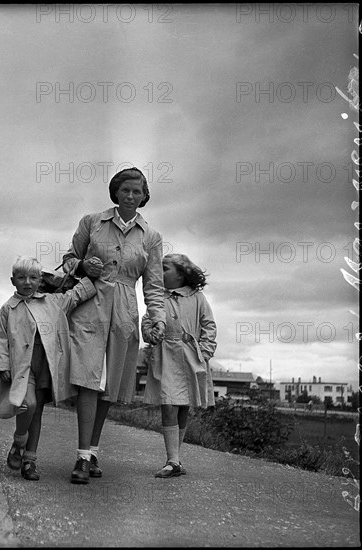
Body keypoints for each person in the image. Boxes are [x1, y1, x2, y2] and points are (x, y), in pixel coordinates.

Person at [62, 167, 166, 484]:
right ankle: (81, 457)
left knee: (107, 387)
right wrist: (82, 265)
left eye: (137, 191)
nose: (131, 196)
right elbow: (67, 260)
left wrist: (157, 318)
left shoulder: (151, 237)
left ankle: (92, 451)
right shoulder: (92, 222)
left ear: (144, 196)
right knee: (88, 380)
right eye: (125, 190)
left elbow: (154, 286)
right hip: (90, 306)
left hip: (124, 312)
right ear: (115, 192)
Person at [0, 256, 96, 481]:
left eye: (33, 277)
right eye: (21, 278)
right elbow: (0, 337)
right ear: (13, 280)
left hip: (46, 366)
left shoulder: (52, 302)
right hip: (23, 367)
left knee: (36, 411)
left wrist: (87, 270)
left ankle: (30, 461)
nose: (27, 282)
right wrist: (1, 365)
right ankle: (19, 441)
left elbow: (77, 294)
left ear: (40, 280)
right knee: (27, 404)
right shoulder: (8, 309)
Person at [142, 253, 216, 478]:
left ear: (182, 274)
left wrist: (204, 352)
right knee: (168, 404)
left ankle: (176, 459)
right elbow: (147, 320)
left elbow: (209, 325)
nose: (160, 273)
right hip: (166, 356)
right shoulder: (158, 298)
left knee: (183, 405)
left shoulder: (197, 297)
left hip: (191, 357)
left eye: (165, 268)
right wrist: (150, 333)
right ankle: (172, 459)